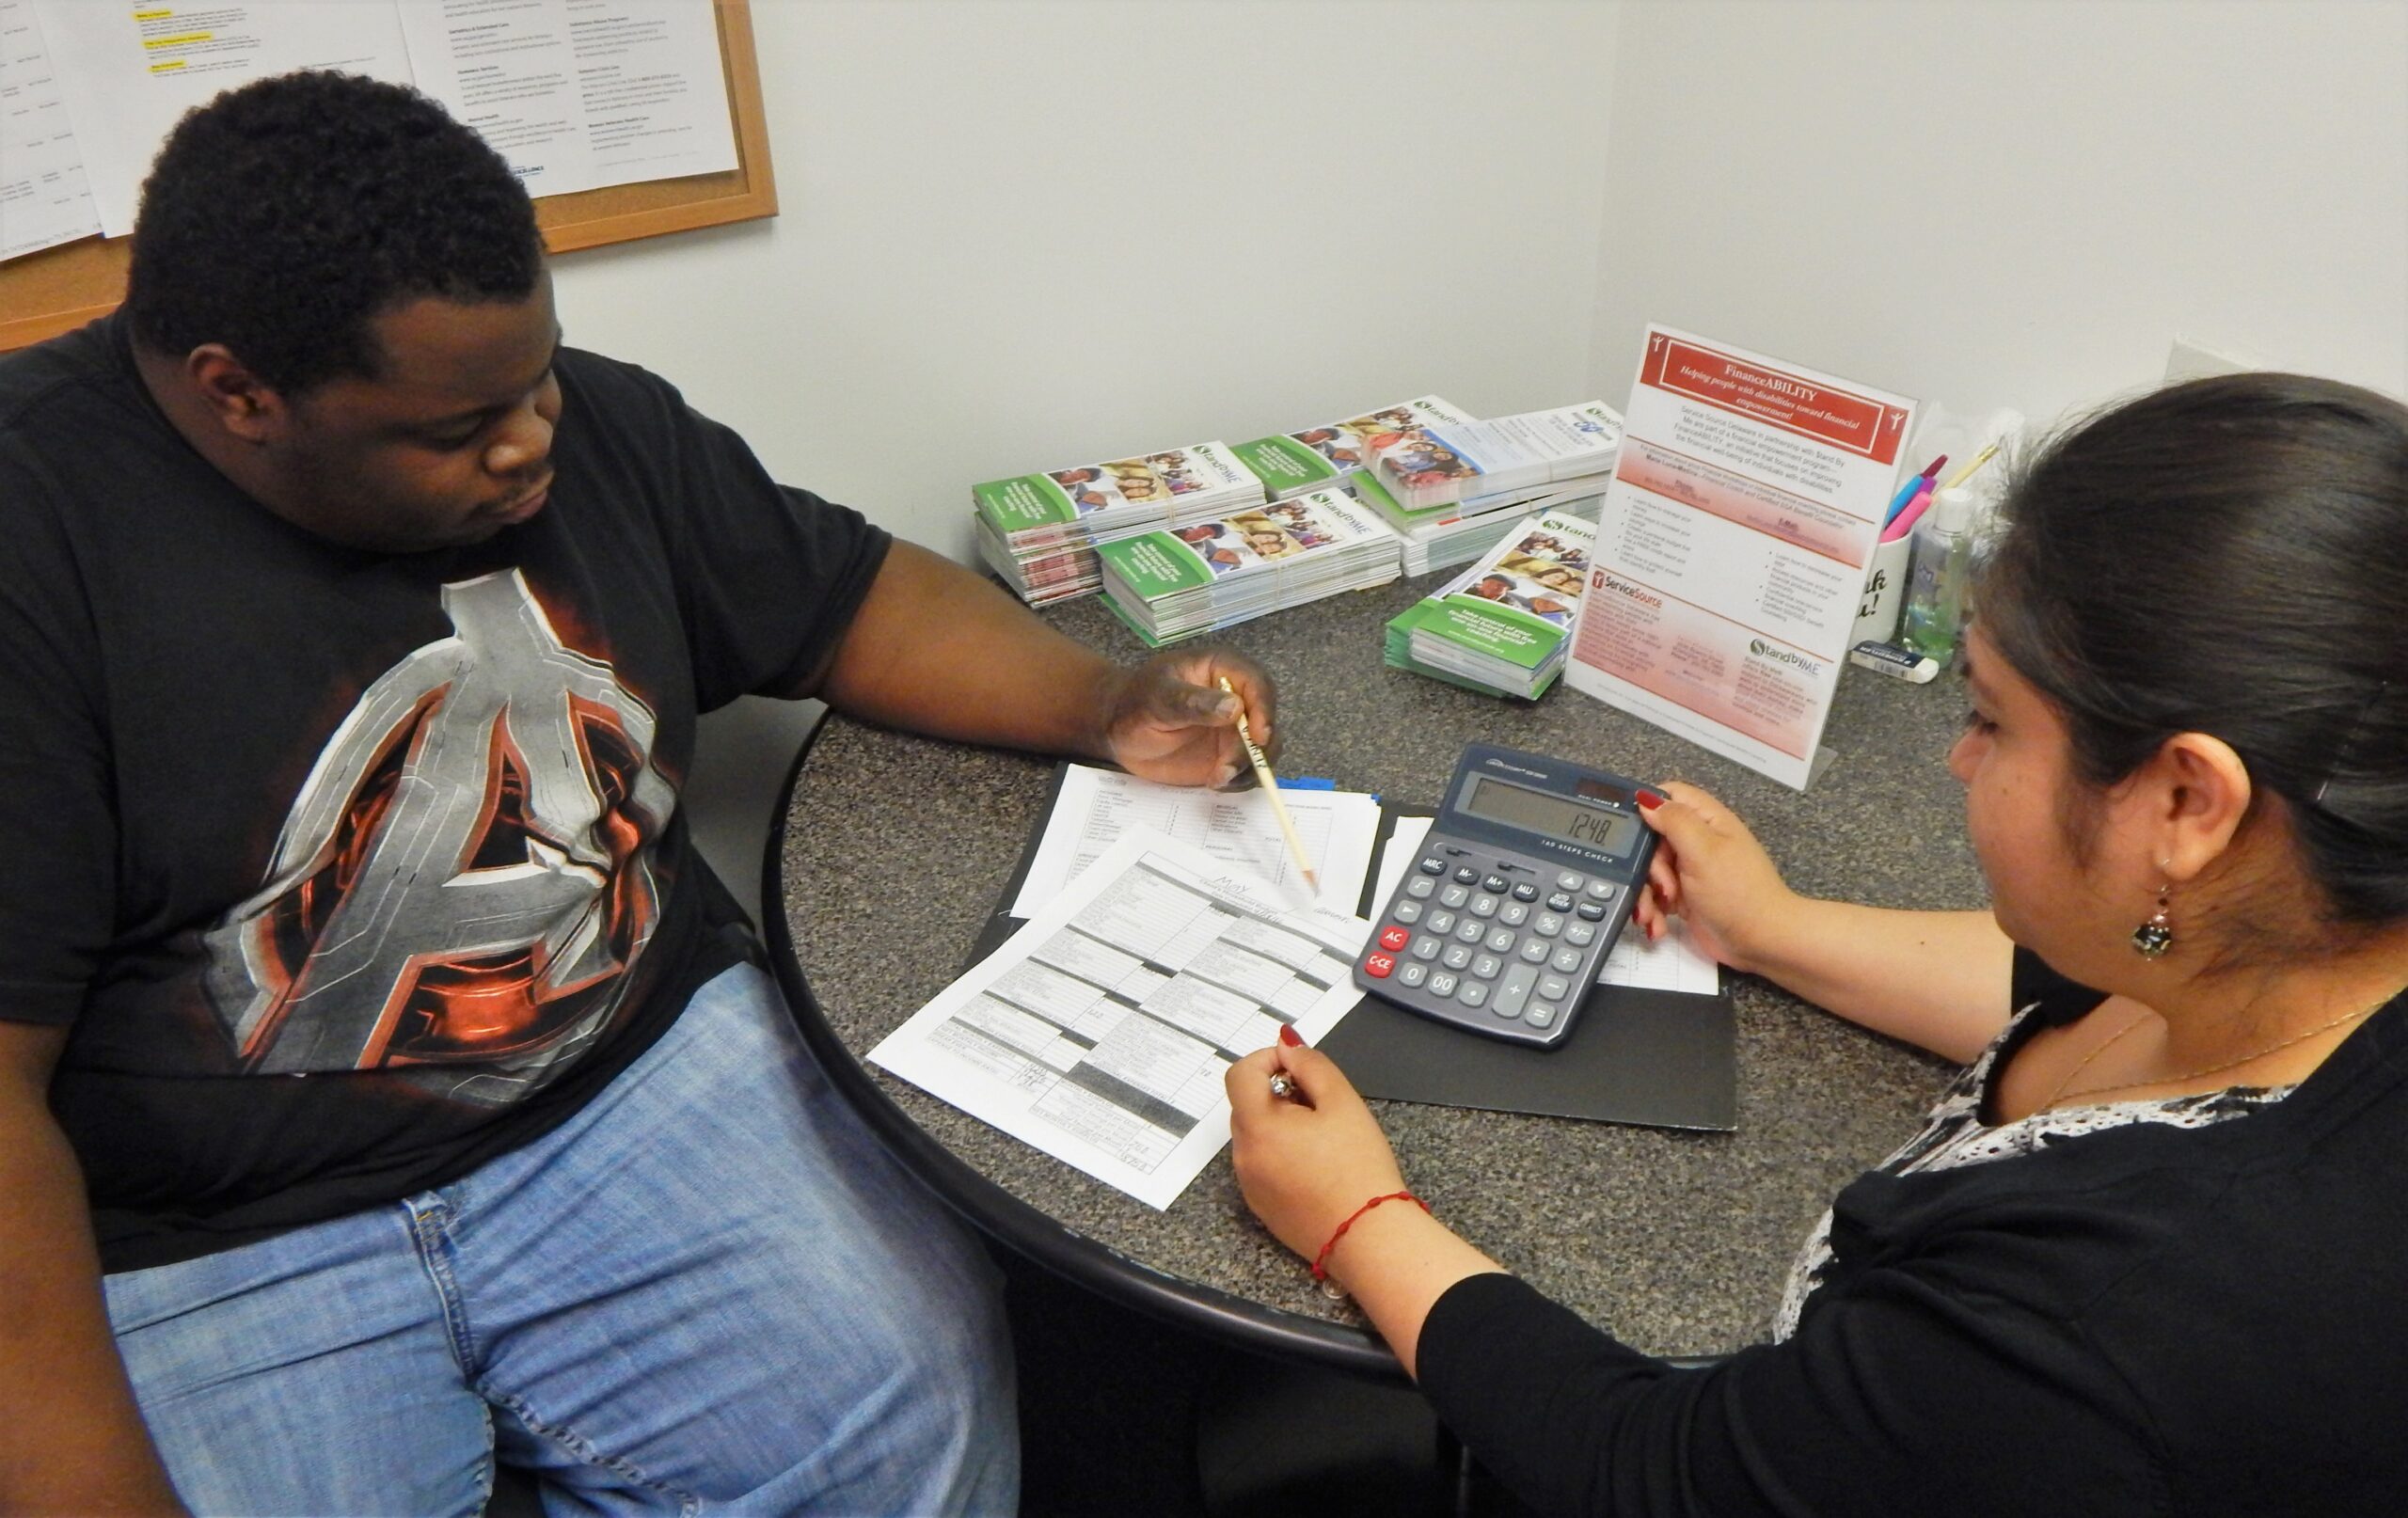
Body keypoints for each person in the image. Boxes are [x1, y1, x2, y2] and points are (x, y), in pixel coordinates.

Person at [0, 71, 1283, 1516]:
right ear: (241, 392)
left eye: (539, 378)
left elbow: (848, 602)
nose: (533, 439)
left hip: (620, 1077)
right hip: (205, 1226)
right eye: (461, 427)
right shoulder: (36, 534)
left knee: (903, 1425)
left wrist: (1104, 704)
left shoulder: (578, 426)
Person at [1228, 372, 2408, 1515]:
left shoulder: (2081, 1327)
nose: (1956, 759)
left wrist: (1356, 1217)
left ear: (2186, 805)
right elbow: (2077, 982)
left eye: (1989, 719)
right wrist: (1774, 929)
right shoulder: (2311, 929)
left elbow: (1655, 1472)